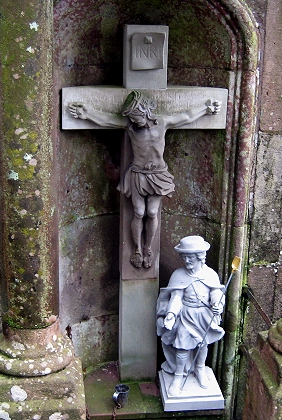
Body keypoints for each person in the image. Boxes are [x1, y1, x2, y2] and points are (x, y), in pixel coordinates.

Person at [69, 92, 221, 269]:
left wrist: (206, 108)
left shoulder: (163, 123)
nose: (135, 121)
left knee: (152, 212)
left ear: (147, 113)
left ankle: (148, 247)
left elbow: (186, 117)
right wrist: (87, 113)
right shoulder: (131, 127)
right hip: (138, 174)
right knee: (139, 212)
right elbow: (107, 120)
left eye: (137, 117)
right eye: (132, 118)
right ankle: (137, 249)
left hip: (157, 175)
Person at [156, 235, 225, 396]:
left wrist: (217, 305)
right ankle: (178, 377)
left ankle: (200, 370)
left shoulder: (210, 275)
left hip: (203, 316)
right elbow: (176, 297)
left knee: (202, 345)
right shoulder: (178, 275)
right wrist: (171, 314)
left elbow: (216, 292)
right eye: (184, 258)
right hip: (186, 315)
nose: (187, 261)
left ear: (200, 257)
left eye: (190, 258)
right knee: (182, 347)